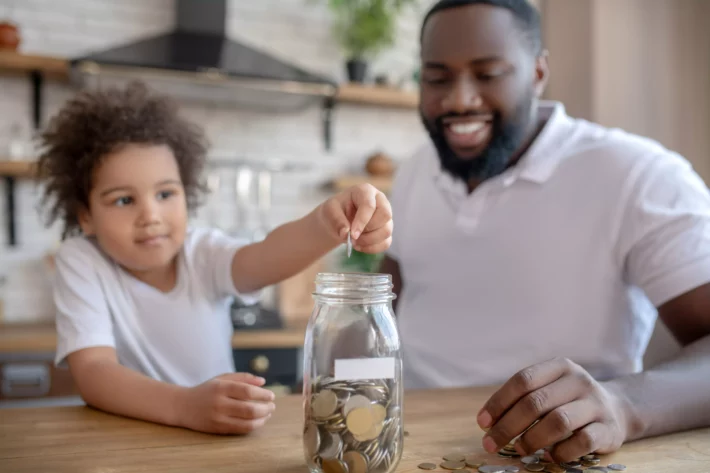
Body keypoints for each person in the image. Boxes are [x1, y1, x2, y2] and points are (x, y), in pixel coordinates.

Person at [381, 0, 710, 463]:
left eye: (488, 73)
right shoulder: (415, 171)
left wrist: (625, 404)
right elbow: (381, 302)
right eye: (437, 77)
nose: (458, 99)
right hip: (404, 446)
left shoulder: (639, 175)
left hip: (551, 455)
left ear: (538, 72)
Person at [37, 81, 392, 435]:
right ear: (85, 215)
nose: (151, 216)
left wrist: (326, 222)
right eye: (124, 200)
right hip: (127, 443)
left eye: (165, 193)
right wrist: (183, 406)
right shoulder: (80, 261)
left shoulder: (202, 252)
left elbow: (266, 258)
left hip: (215, 441)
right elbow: (94, 372)